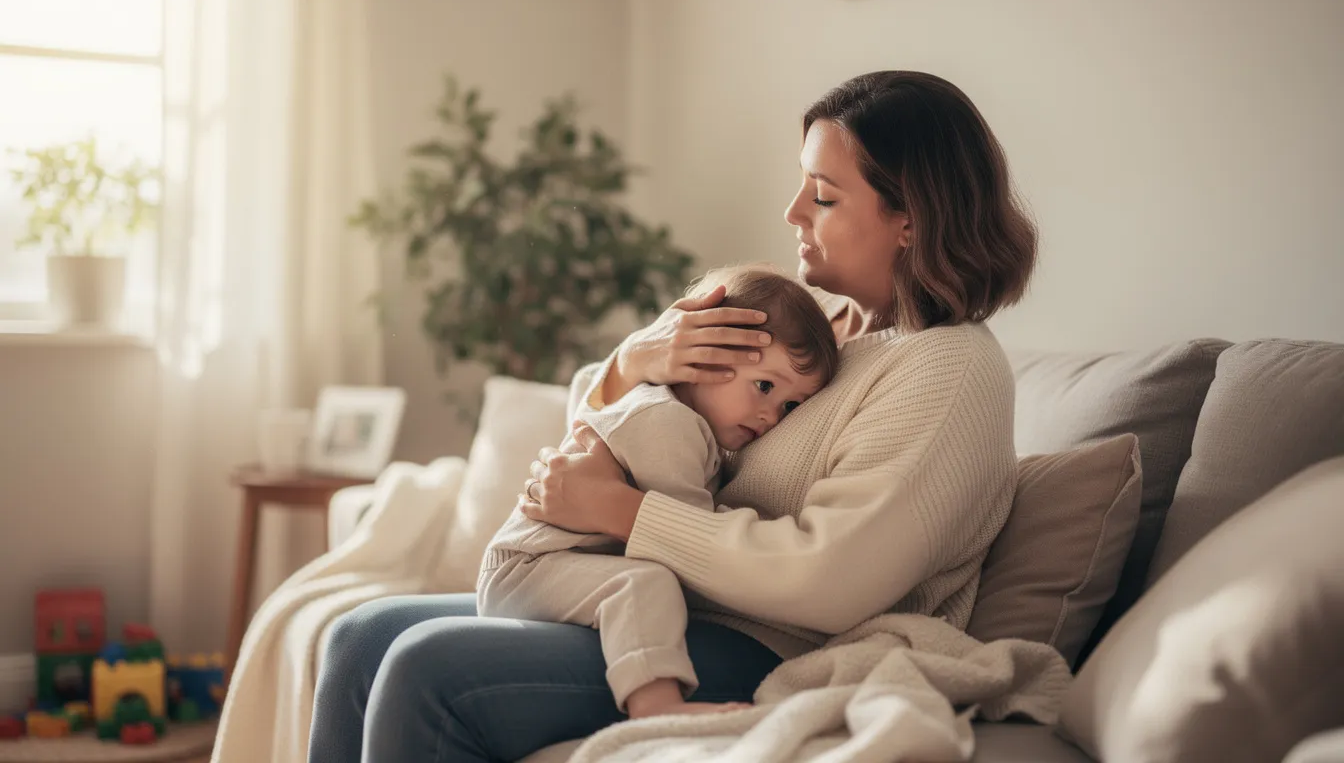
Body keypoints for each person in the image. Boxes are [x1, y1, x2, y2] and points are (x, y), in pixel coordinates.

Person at [307, 69, 1036, 763]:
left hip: (773, 640)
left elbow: (831, 578)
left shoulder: (948, 369)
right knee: (357, 635)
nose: (791, 213)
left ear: (908, 221)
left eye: (822, 195)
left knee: (428, 667)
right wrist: (634, 363)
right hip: (647, 602)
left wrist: (622, 511)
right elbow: (611, 435)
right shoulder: (808, 325)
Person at [478, 266, 839, 720]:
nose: (771, 416)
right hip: (528, 568)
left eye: (790, 405)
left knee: (640, 584)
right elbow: (688, 547)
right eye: (764, 386)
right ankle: (656, 707)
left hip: (547, 568)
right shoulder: (668, 424)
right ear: (697, 358)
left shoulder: (689, 423)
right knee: (646, 583)